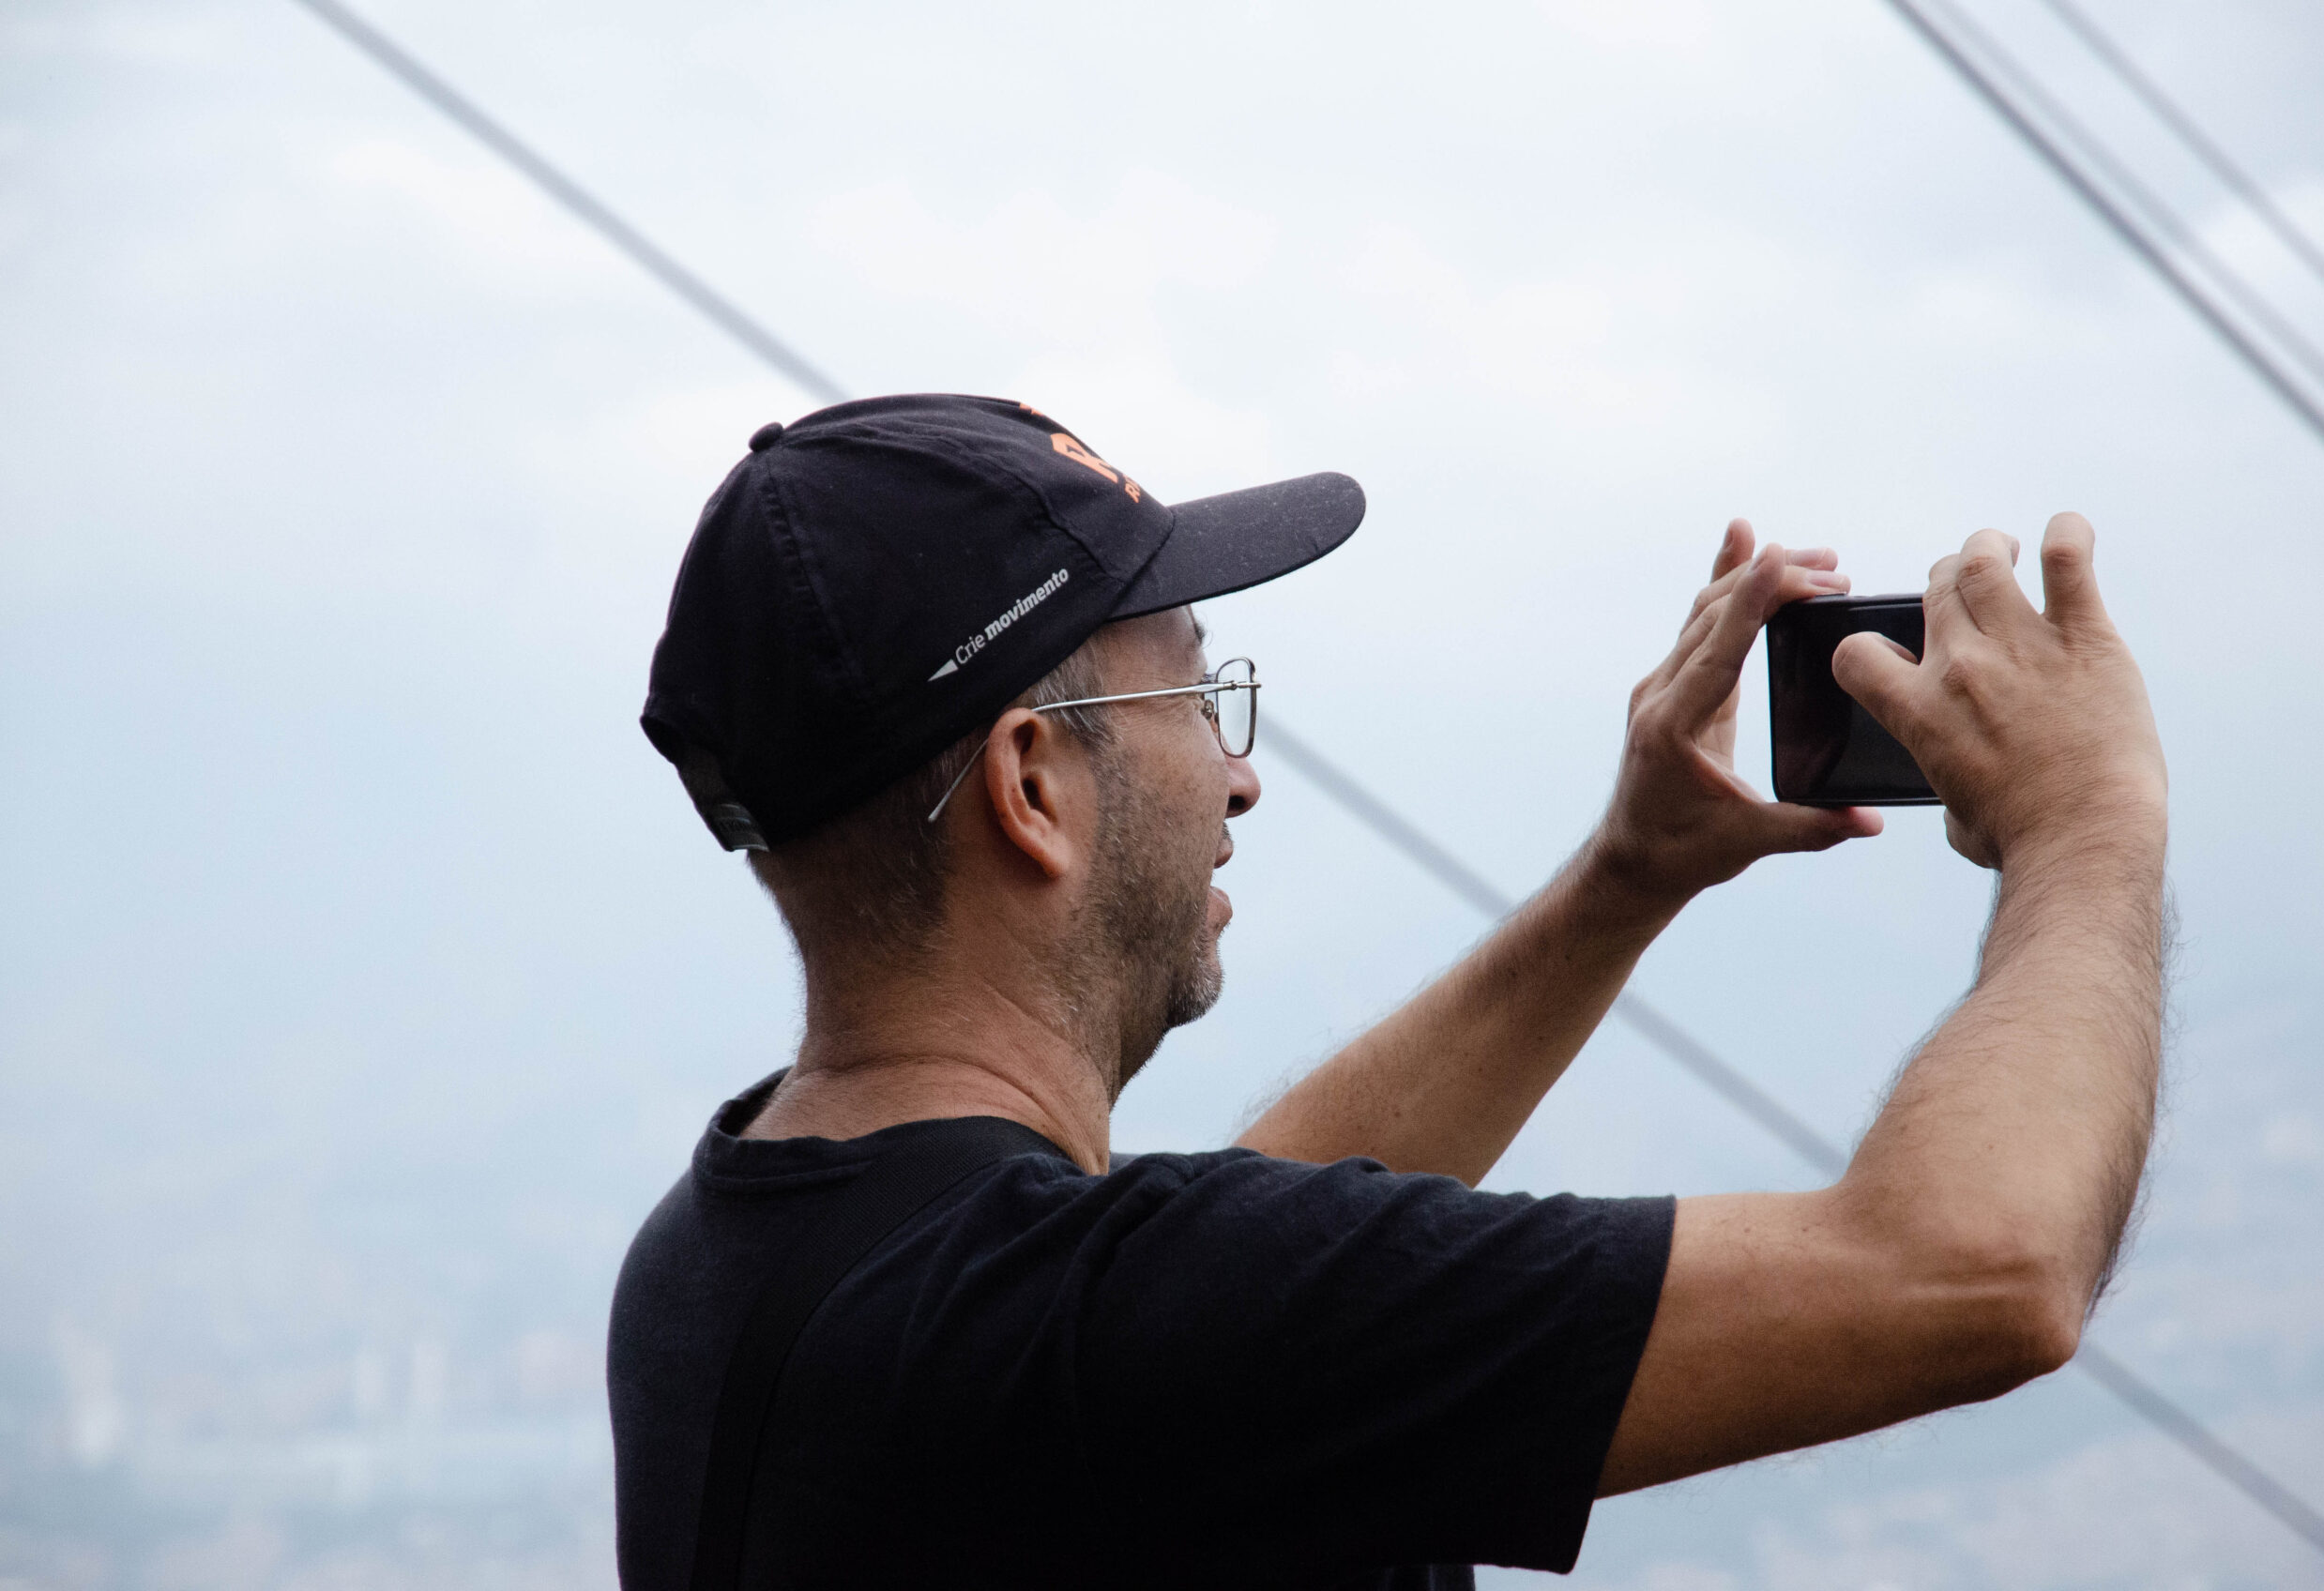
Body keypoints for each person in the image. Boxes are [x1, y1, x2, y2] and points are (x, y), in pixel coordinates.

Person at [608, 393, 2167, 1588]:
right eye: (1197, 692)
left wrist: (1625, 879)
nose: (1238, 776)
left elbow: (1228, 1268)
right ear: (1033, 783)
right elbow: (1976, 1272)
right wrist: (2091, 827)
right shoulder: (1113, 1331)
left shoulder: (717, 1266)